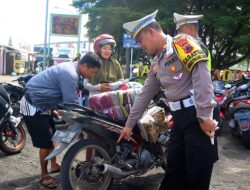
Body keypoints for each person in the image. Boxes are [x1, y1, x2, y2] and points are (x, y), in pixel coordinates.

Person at [118, 10, 219, 190]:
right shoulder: (157, 62)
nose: (140, 46)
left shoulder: (182, 42)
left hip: (196, 114)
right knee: (174, 169)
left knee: (197, 173)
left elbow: (202, 77)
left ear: (151, 31)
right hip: (180, 117)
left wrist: (204, 116)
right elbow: (145, 93)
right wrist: (129, 124)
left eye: (140, 40)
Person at [20, 52, 101, 189]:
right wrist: (82, 124)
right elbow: (71, 104)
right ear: (85, 65)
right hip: (33, 105)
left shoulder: (72, 69)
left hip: (45, 105)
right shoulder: (69, 74)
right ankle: (44, 175)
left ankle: (54, 164)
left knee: (52, 136)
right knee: (45, 143)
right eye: (91, 72)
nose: (91, 75)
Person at [174, 12, 221, 131]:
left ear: (191, 28)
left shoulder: (195, 47)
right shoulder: (200, 46)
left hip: (199, 103)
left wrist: (203, 115)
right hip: (201, 99)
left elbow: (200, 80)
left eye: (179, 30)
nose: (177, 35)